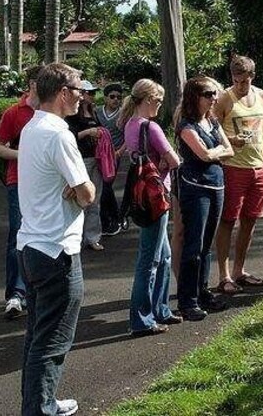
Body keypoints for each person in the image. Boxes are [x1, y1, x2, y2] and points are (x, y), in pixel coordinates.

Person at [17, 63, 95, 416]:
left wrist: (73, 189)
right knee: (52, 341)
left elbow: (71, 187)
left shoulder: (33, 127)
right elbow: (88, 193)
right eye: (79, 91)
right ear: (63, 92)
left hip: (32, 246)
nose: (82, 97)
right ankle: (41, 409)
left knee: (38, 336)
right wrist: (78, 190)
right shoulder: (59, 134)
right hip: (56, 249)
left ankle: (40, 402)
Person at [119, 78, 182, 336]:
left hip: (142, 194)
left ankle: (160, 309)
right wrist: (164, 167)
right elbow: (175, 160)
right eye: (157, 100)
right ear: (146, 100)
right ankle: (141, 319)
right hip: (157, 195)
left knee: (164, 255)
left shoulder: (129, 125)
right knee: (150, 258)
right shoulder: (151, 127)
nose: (159, 104)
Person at [213, 56, 263, 295]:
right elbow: (212, 130)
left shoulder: (262, 96)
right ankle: (224, 274)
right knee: (228, 219)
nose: (240, 86)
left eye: (245, 81)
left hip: (259, 168)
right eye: (236, 80)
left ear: (253, 77)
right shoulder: (223, 99)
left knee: (250, 220)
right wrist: (231, 140)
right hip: (233, 167)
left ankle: (240, 270)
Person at [174, 76, 234, 320]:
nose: (214, 98)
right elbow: (203, 155)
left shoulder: (212, 121)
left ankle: (202, 292)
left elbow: (228, 150)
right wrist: (216, 152)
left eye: (215, 94)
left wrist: (215, 152)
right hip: (195, 187)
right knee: (194, 244)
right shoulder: (187, 126)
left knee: (206, 244)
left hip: (216, 185)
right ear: (194, 97)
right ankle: (187, 300)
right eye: (208, 94)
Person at [0, 66, 41, 319]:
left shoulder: (50, 111)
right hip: (18, 181)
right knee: (17, 236)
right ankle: (15, 294)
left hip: (44, 185)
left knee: (41, 237)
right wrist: (24, 156)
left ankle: (36, 292)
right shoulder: (14, 112)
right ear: (32, 83)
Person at [65, 80, 104, 251]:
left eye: (93, 93)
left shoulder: (94, 112)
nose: (91, 96)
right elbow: (70, 136)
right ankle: (77, 237)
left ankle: (92, 237)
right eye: (89, 93)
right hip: (82, 159)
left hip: (97, 158)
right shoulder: (73, 115)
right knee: (81, 199)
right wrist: (88, 132)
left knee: (95, 200)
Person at [96, 82, 127, 236]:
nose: (116, 100)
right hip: (99, 155)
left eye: (119, 97)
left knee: (106, 186)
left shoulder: (123, 114)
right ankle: (107, 219)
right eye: (112, 97)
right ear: (105, 98)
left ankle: (116, 218)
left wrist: (120, 152)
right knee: (101, 187)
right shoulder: (97, 112)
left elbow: (128, 136)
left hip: (114, 155)